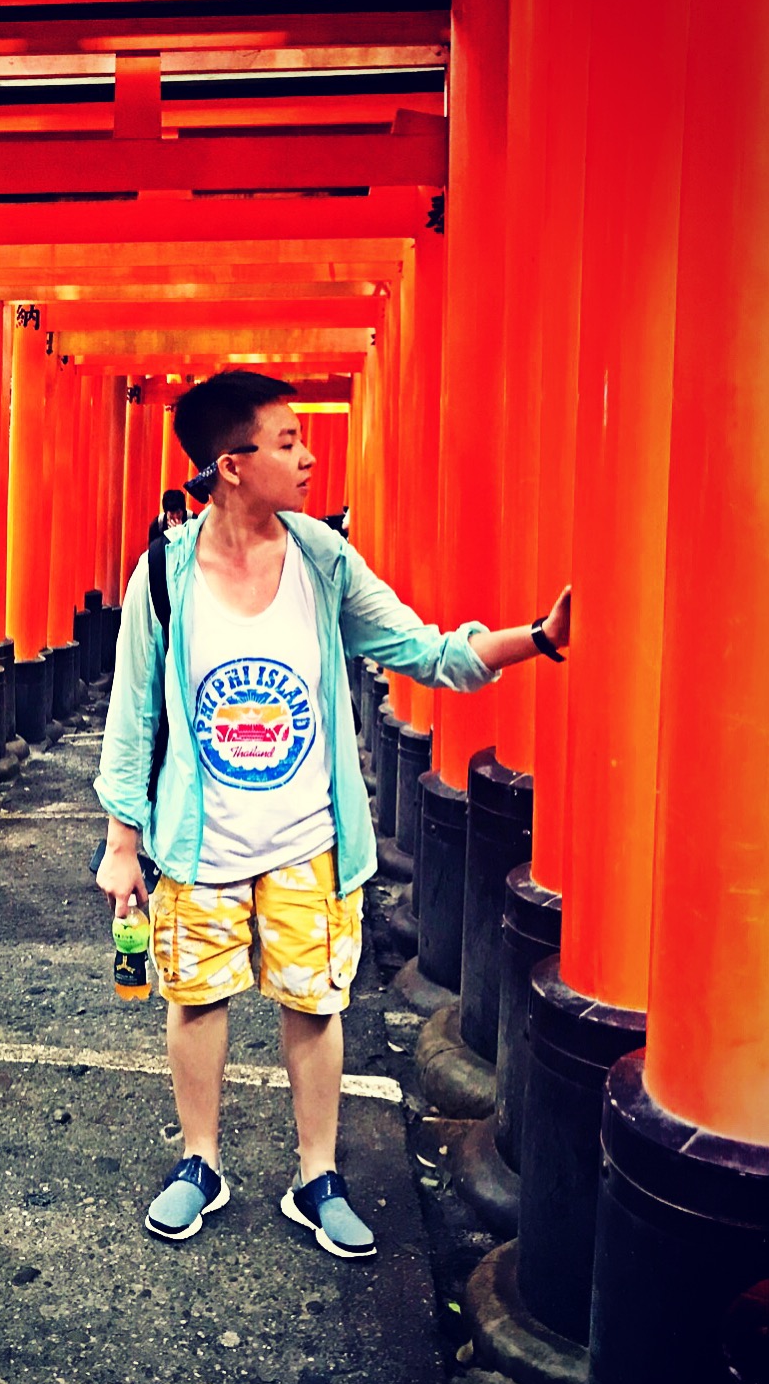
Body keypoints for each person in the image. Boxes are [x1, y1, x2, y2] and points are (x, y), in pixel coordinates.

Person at [94, 370, 570, 1258]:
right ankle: (199, 1160)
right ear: (228, 466)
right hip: (198, 837)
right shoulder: (163, 572)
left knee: (313, 1007)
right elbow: (134, 713)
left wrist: (534, 640)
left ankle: (316, 1176)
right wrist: (122, 841)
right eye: (284, 442)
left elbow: (426, 651)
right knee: (195, 1000)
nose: (307, 456)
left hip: (308, 838)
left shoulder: (322, 559)